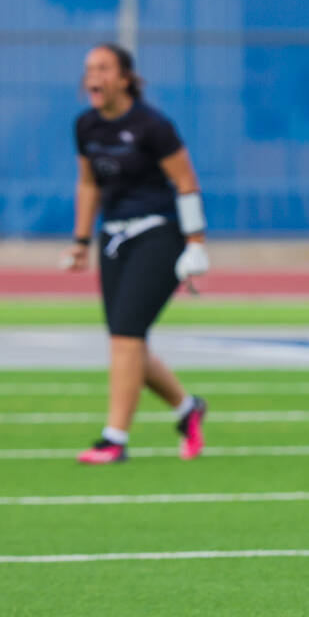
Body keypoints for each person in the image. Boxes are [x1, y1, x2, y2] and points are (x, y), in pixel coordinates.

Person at [62, 43, 210, 464]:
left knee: (126, 336)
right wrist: (80, 241)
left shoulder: (152, 125)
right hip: (114, 239)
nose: (95, 75)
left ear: (125, 78)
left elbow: (186, 182)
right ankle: (187, 408)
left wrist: (196, 244)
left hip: (160, 234)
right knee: (129, 342)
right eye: (90, 67)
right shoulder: (86, 125)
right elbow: (89, 184)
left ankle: (114, 438)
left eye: (105, 68)